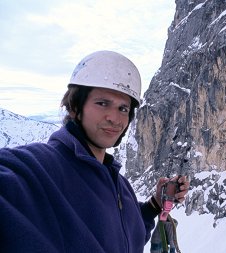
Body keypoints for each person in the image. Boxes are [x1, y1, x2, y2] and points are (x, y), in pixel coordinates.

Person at [0, 50, 189, 253]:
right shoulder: (42, 168)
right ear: (74, 106)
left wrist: (154, 204)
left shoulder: (121, 186)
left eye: (123, 109)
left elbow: (126, 237)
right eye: (102, 103)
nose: (114, 118)